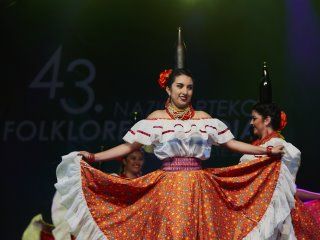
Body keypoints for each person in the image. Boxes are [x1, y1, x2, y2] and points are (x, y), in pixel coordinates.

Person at [55, 29, 296, 239]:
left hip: (200, 187)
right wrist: (95, 158)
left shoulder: (203, 119)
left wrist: (264, 150)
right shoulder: (156, 119)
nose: (185, 91)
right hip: (168, 187)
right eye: (180, 86)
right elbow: (127, 147)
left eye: (189, 87)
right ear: (169, 89)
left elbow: (232, 144)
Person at [239, 102, 320, 238]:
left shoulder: (285, 149)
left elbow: (287, 190)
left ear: (267, 120)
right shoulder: (254, 150)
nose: (251, 123)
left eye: (254, 118)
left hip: (275, 213)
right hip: (253, 211)